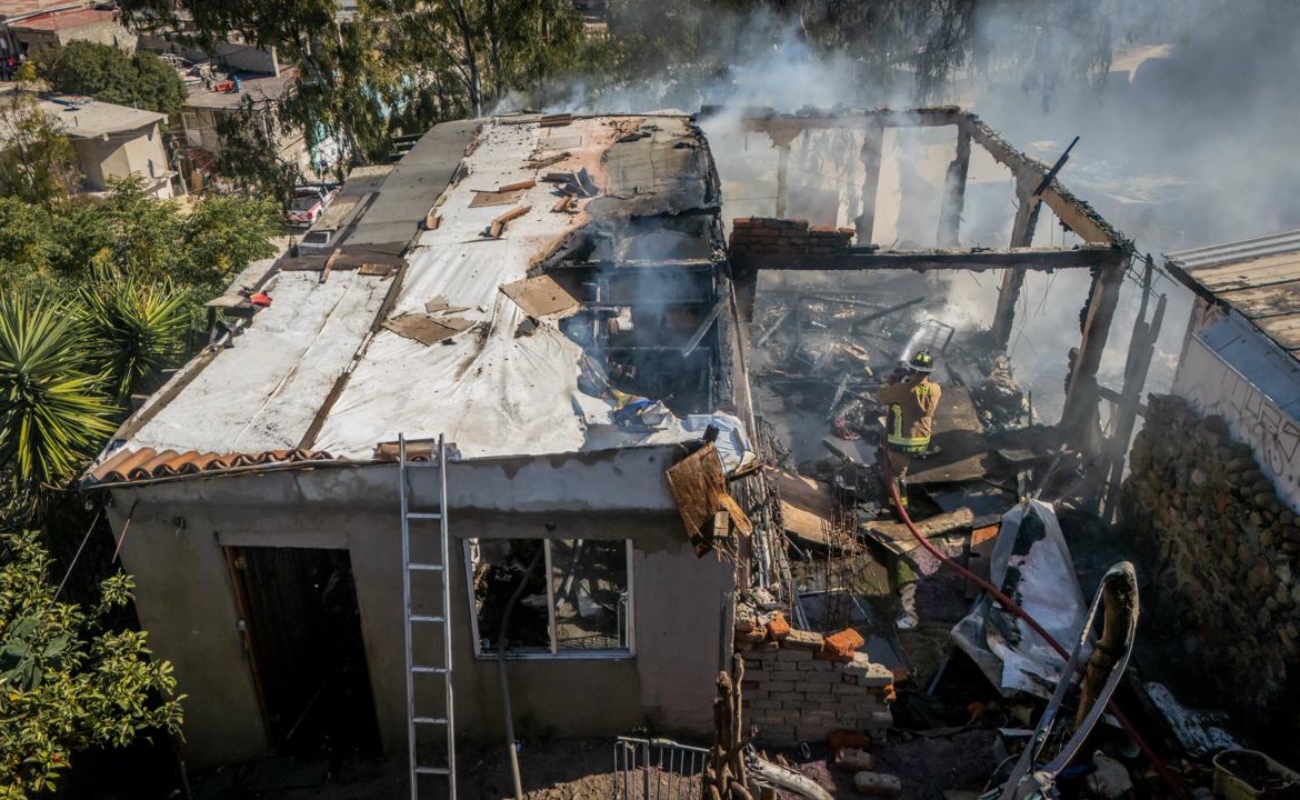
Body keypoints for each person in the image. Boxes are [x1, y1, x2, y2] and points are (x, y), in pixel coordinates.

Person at [877, 350, 942, 630]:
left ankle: (897, 509)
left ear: (912, 371)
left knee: (896, 475)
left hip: (901, 444)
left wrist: (895, 378)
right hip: (921, 442)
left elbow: (882, 396)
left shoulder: (903, 390)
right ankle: (899, 502)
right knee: (903, 471)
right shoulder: (936, 388)